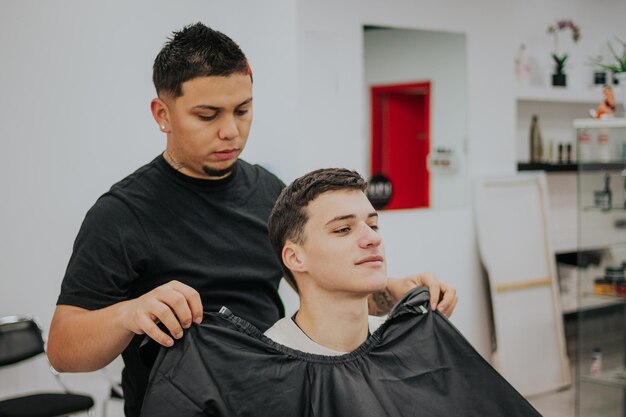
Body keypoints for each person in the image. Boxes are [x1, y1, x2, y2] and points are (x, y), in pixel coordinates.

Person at [47, 23, 457, 417]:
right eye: (208, 115)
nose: (231, 132)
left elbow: (317, 283)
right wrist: (128, 313)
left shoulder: (269, 192)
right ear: (163, 114)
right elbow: (63, 350)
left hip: (272, 397)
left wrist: (393, 293)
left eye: (242, 110)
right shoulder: (121, 214)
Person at [139, 168, 539, 417]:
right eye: (344, 229)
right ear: (295, 258)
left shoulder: (408, 341)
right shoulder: (266, 371)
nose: (370, 240)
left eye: (373, 225)